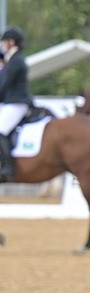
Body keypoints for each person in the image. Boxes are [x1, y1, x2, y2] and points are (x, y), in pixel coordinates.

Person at [0, 27, 34, 182]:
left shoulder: (16, 61)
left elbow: (4, 84)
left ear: (11, 42)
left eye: (4, 42)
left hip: (17, 103)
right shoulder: (12, 59)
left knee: (0, 130)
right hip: (11, 102)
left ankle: (8, 167)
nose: (3, 45)